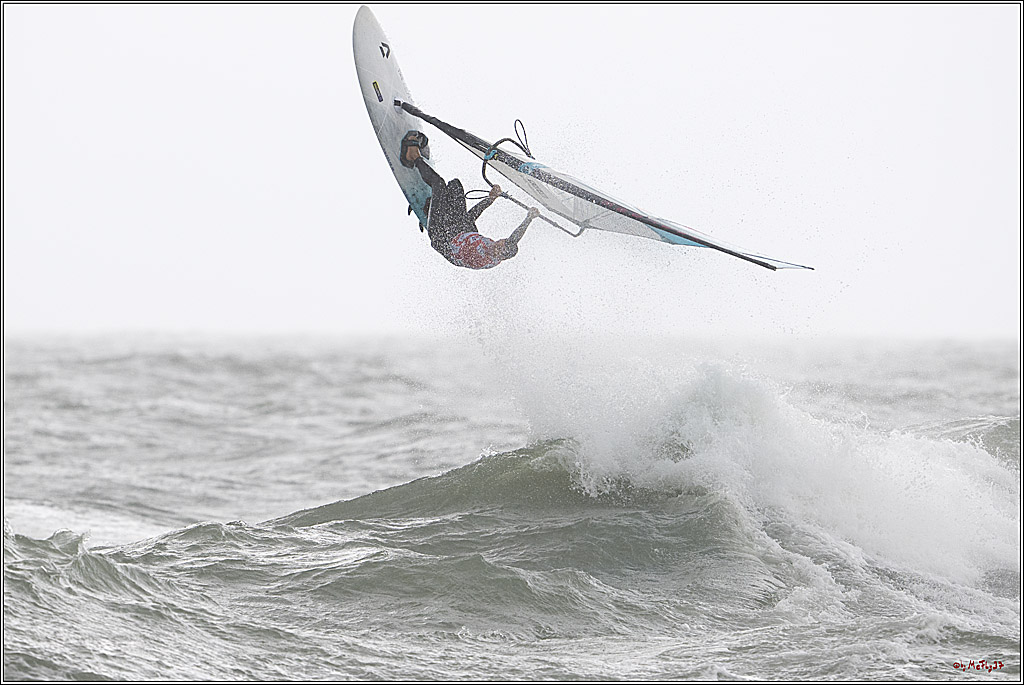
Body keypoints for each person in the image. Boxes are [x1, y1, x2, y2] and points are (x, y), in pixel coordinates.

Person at [401, 131, 540, 270]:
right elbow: (514, 239)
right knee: (455, 186)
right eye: (500, 244)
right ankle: (432, 204)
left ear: (500, 258)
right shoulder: (503, 247)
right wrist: (529, 217)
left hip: (442, 237)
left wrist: (490, 200)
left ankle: (413, 157)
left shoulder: (480, 256)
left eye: (498, 251)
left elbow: (469, 218)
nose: (496, 246)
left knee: (439, 184)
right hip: (462, 230)